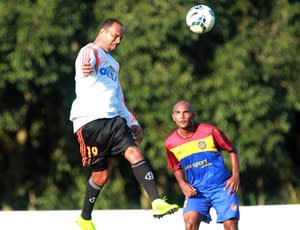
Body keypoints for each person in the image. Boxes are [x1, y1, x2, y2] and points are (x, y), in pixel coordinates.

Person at [70, 18, 178, 230]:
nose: (118, 40)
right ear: (103, 32)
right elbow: (87, 58)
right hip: (89, 122)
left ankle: (156, 202)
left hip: (114, 121)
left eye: (121, 38)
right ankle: (84, 217)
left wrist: (133, 122)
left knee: (135, 153)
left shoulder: (114, 65)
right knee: (101, 175)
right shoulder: (89, 51)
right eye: (115, 35)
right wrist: (88, 64)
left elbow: (119, 99)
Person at [164, 100, 240, 230]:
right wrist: (182, 183)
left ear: (193, 115)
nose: (181, 116)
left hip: (222, 187)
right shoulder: (170, 143)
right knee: (190, 223)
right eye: (178, 113)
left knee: (231, 226)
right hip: (197, 191)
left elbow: (231, 149)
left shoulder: (210, 131)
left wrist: (235, 175)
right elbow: (176, 167)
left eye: (185, 112)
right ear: (173, 117)